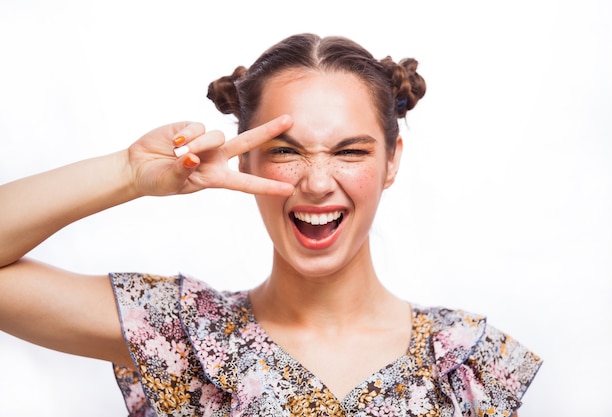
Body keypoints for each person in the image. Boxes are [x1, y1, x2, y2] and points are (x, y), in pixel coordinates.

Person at [0, 33, 541, 416]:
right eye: (286, 151)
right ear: (245, 160)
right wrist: (127, 173)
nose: (317, 182)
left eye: (350, 152)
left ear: (392, 160)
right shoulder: (186, 336)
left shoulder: (467, 359)